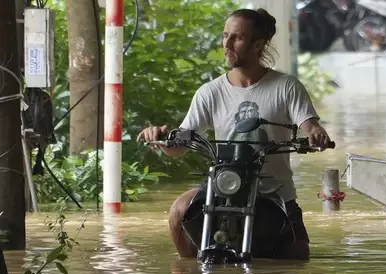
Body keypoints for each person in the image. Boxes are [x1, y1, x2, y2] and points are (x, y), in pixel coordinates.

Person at [136, 8, 332, 260]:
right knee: (179, 211)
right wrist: (161, 137)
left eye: (236, 38)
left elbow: (310, 125)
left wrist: (317, 134)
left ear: (257, 44)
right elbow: (180, 146)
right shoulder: (210, 92)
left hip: (274, 190)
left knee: (298, 257)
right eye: (225, 35)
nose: (226, 44)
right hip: (224, 183)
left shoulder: (286, 87)